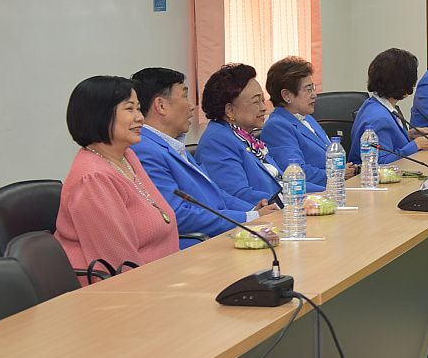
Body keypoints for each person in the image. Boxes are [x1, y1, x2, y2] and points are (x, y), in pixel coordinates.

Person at [55, 75, 180, 282]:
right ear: (100, 114)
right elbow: (121, 266)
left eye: (138, 109)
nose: (140, 117)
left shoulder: (127, 156)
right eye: (129, 109)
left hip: (164, 276)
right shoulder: (93, 179)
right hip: (123, 291)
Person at [131, 67, 273, 248]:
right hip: (195, 248)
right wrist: (248, 217)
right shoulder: (145, 150)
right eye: (184, 96)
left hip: (218, 238)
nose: (192, 105)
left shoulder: (172, 144)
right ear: (161, 106)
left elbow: (216, 194)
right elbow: (177, 214)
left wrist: (253, 210)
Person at [195, 64, 287, 206]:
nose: (264, 108)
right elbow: (238, 195)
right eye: (256, 102)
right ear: (230, 110)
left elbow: (282, 183)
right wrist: (293, 200)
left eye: (263, 100)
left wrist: (313, 195)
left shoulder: (245, 136)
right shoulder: (217, 141)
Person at [259, 56, 353, 192]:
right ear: (286, 95)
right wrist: (338, 175)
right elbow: (296, 172)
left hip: (336, 189)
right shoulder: (277, 127)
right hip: (313, 196)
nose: (314, 95)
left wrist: (347, 169)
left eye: (313, 88)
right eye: (308, 89)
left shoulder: (307, 118)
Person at [352, 48, 428, 162]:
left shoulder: (372, 104)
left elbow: (385, 142)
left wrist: (408, 135)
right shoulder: (380, 118)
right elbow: (380, 162)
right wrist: (416, 145)